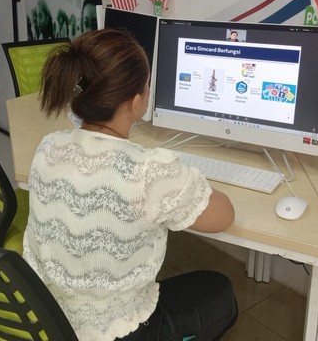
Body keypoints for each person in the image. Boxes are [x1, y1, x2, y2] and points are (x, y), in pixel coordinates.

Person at [23, 29, 237, 341]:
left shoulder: (48, 146)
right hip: (121, 333)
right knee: (220, 290)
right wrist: (185, 177)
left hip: (48, 319)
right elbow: (223, 217)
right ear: (137, 101)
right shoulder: (150, 171)